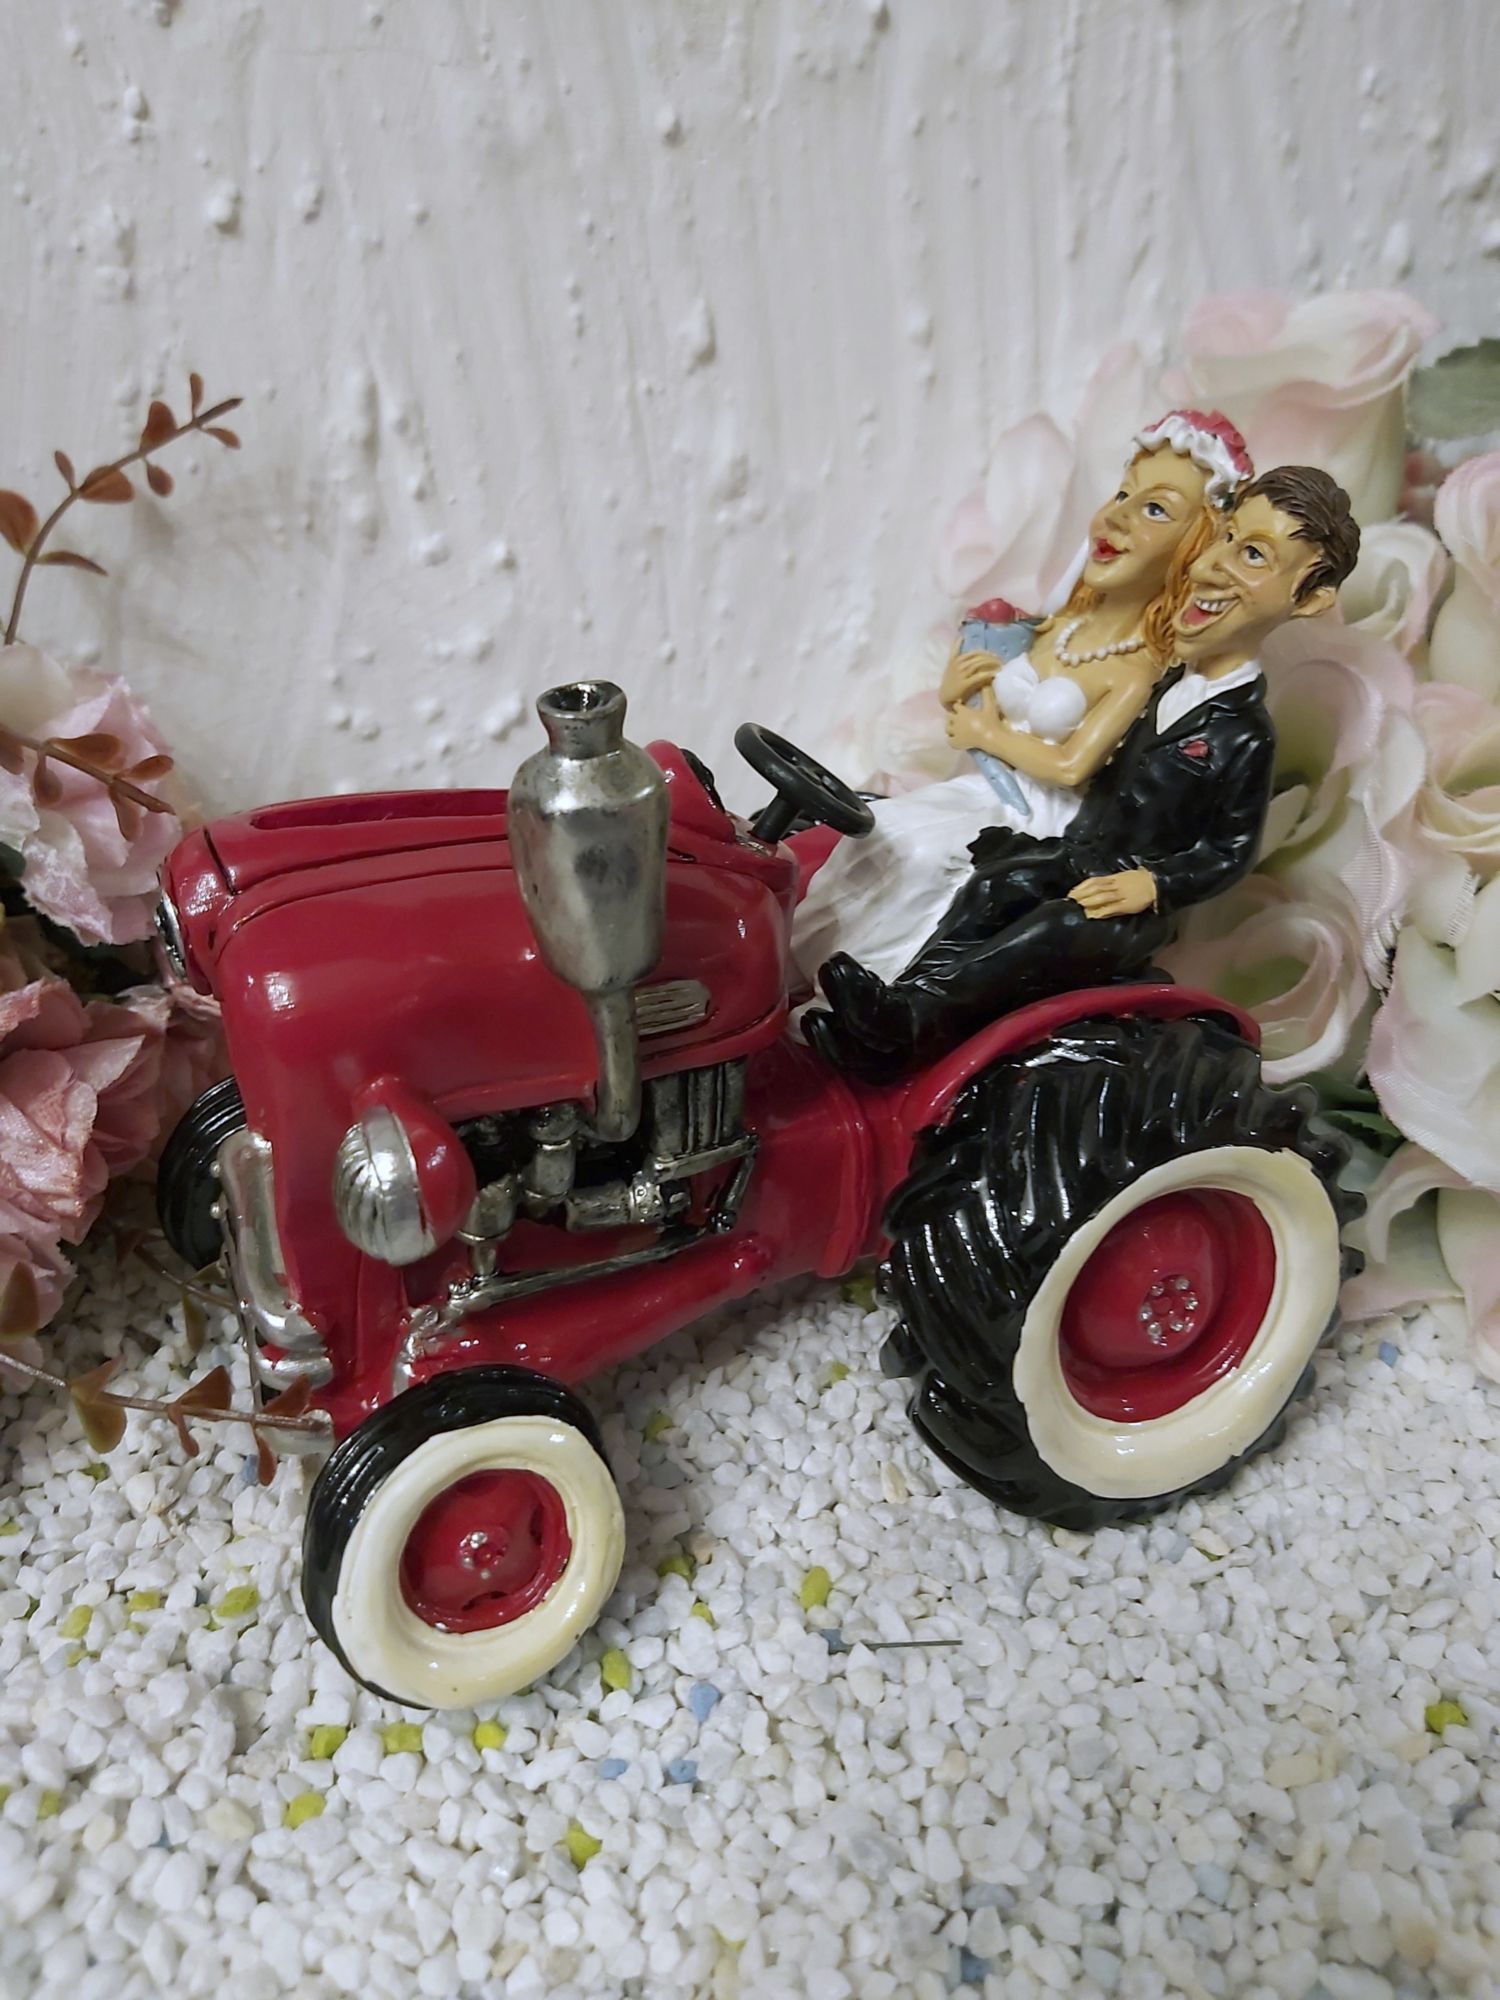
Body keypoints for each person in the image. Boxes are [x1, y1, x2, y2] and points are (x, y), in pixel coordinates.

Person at [803, 465, 1362, 1080]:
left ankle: (906, 1022)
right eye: (1226, 537)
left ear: (1308, 598)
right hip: (1079, 854)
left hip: (1127, 902)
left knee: (1055, 927)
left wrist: (1154, 884)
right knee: (993, 886)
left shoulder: (1243, 733)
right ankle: (901, 1009)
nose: (1210, 566)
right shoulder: (1169, 684)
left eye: (1253, 555)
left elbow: (1229, 851)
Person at [791, 411, 1253, 989]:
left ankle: (871, 985)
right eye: (1123, 494)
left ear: (1193, 549)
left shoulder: (1136, 670)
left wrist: (988, 736)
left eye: (1155, 509)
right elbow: (974, 709)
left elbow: (1072, 766)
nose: (1118, 516)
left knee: (921, 852)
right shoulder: (1057, 626)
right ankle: (797, 964)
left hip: (1041, 816)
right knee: (880, 829)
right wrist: (959, 689)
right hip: (983, 787)